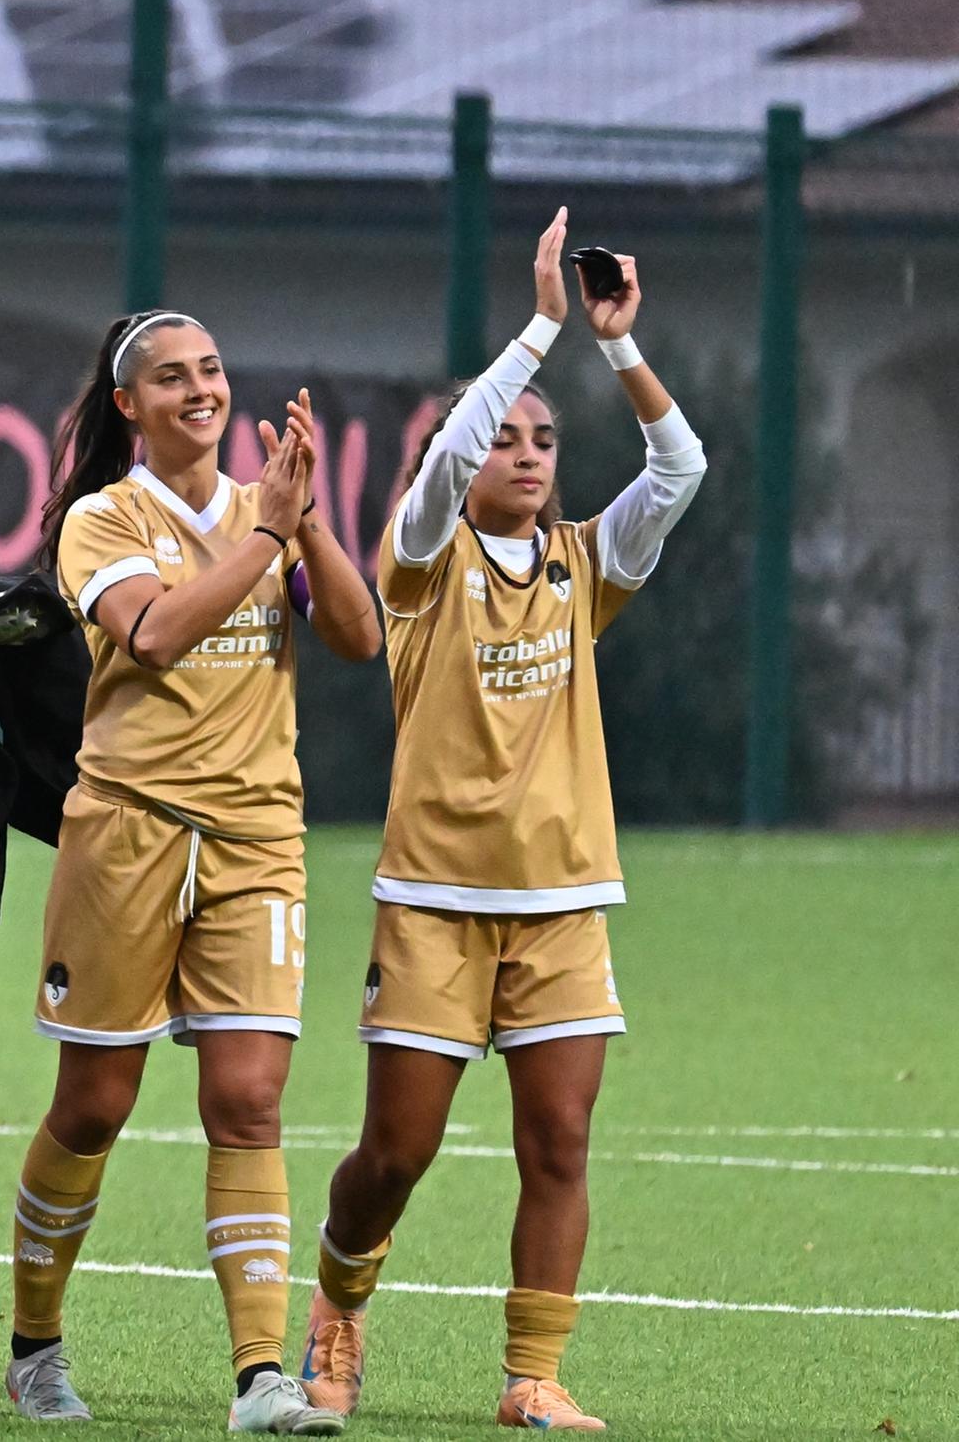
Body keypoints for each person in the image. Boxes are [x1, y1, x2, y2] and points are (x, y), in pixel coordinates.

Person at [299, 212, 702, 1434]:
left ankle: (533, 1374)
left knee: (561, 1141)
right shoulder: (420, 563)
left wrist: (617, 345)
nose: (525, 452)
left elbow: (680, 469)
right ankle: (337, 1307)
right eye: (505, 437)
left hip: (564, 901)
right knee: (395, 1153)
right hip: (434, 900)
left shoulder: (586, 562)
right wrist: (538, 328)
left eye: (545, 439)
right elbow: (440, 465)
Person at [3, 310, 382, 1431]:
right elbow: (157, 634)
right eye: (171, 377)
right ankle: (34, 1346)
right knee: (94, 1105)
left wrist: (307, 523)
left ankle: (261, 1375)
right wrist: (267, 535)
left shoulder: (269, 513)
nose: (200, 389)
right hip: (127, 833)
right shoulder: (102, 518)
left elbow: (359, 638)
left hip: (256, 839)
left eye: (211, 369)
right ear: (130, 405)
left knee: (248, 1099)